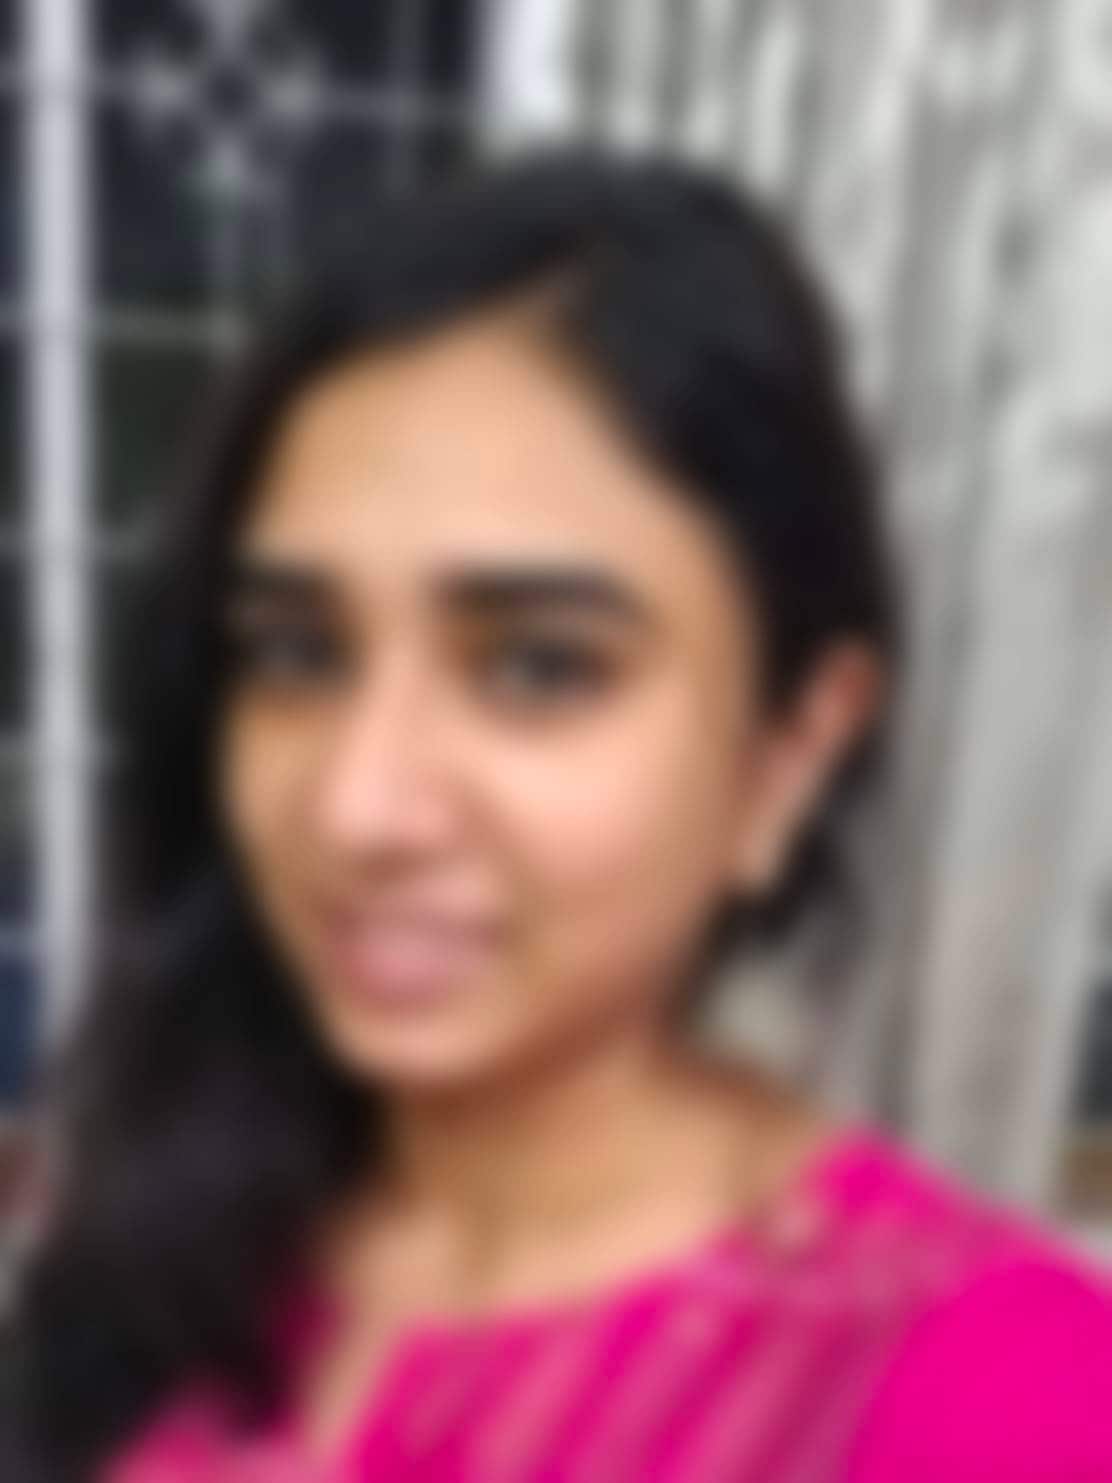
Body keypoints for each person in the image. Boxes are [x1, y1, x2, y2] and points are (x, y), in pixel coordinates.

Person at [3, 147, 1111, 1482]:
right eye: (296, 654)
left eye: (539, 668)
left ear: (791, 749)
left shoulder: (1010, 1397)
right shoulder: (173, 1230)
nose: (358, 807)